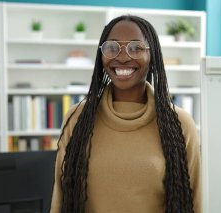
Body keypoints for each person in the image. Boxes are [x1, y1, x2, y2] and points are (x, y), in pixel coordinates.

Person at [50, 15, 201, 213]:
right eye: (112, 47)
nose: (122, 57)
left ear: (152, 54)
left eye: (136, 48)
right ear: (101, 54)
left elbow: (196, 203)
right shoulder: (78, 118)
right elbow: (60, 201)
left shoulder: (179, 123)